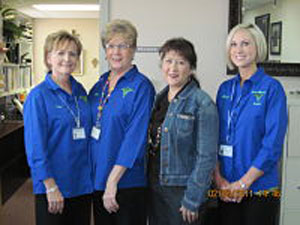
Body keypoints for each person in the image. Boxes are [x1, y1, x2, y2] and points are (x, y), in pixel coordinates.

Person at [214, 23, 288, 225]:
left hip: (260, 188)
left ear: (258, 48)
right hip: (227, 188)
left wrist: (244, 183)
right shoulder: (224, 89)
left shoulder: (272, 89)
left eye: (245, 43)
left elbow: (272, 145)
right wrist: (219, 181)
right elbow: (213, 136)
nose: (239, 50)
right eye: (234, 44)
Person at [89, 19, 155, 225]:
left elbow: (134, 138)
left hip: (126, 182)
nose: (116, 52)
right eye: (110, 45)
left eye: (123, 46)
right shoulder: (100, 85)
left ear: (133, 50)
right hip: (98, 179)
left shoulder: (141, 86)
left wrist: (113, 181)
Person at [24, 30, 93, 225]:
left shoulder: (81, 92)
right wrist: (50, 185)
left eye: (73, 54)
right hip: (53, 186)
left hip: (81, 184)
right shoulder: (38, 96)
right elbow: (35, 147)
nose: (67, 59)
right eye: (60, 53)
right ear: (48, 58)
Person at [147, 37, 219, 225]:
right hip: (155, 186)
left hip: (182, 190)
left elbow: (207, 156)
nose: (173, 68)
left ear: (191, 67)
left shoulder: (202, 103)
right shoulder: (159, 99)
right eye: (168, 61)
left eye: (181, 62)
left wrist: (193, 198)